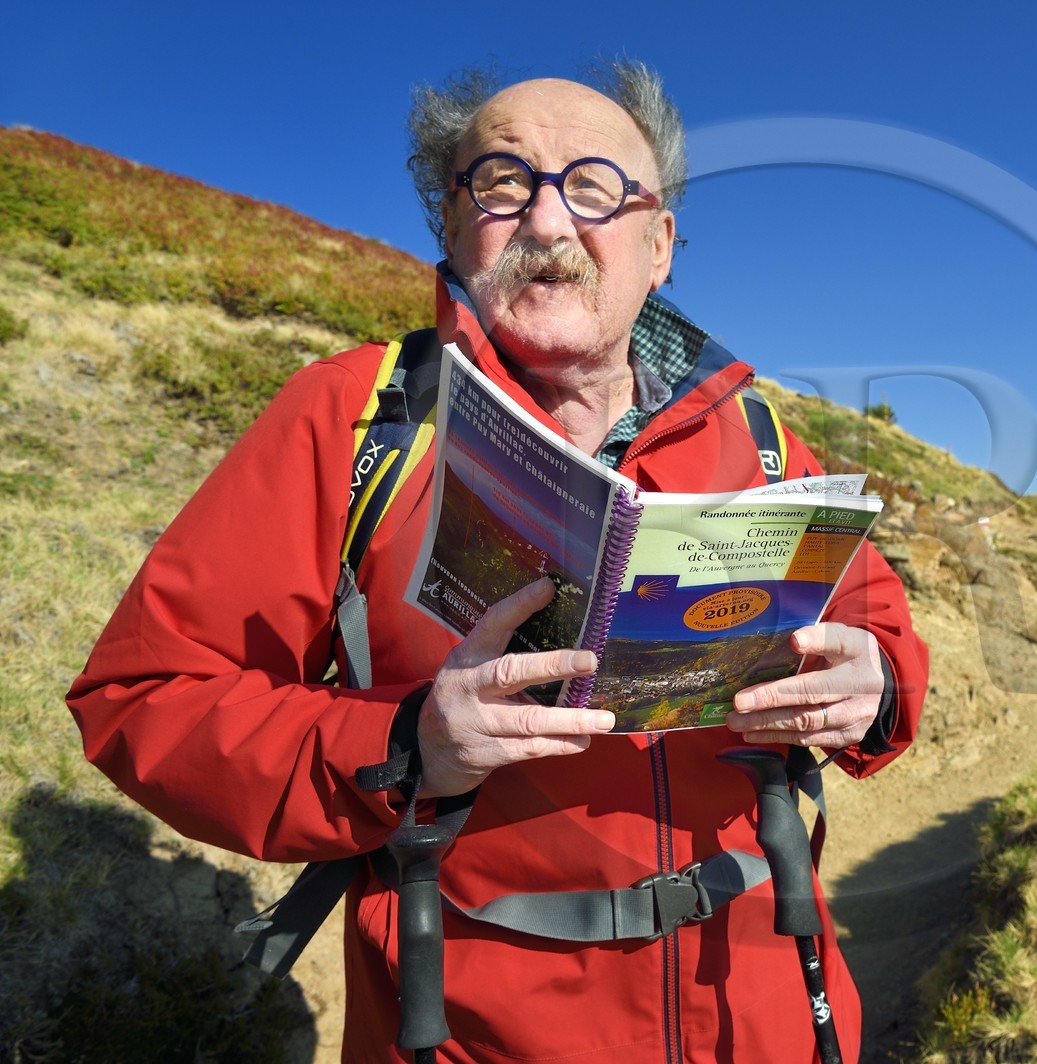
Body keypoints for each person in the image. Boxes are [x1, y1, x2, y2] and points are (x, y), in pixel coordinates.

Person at [66, 60, 926, 1063]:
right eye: (504, 183)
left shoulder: (765, 439)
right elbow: (142, 694)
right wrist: (403, 742)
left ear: (659, 247)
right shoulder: (350, 421)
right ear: (450, 223)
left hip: (767, 1017)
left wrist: (870, 686)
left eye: (599, 188)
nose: (550, 224)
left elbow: (884, 640)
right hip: (467, 1035)